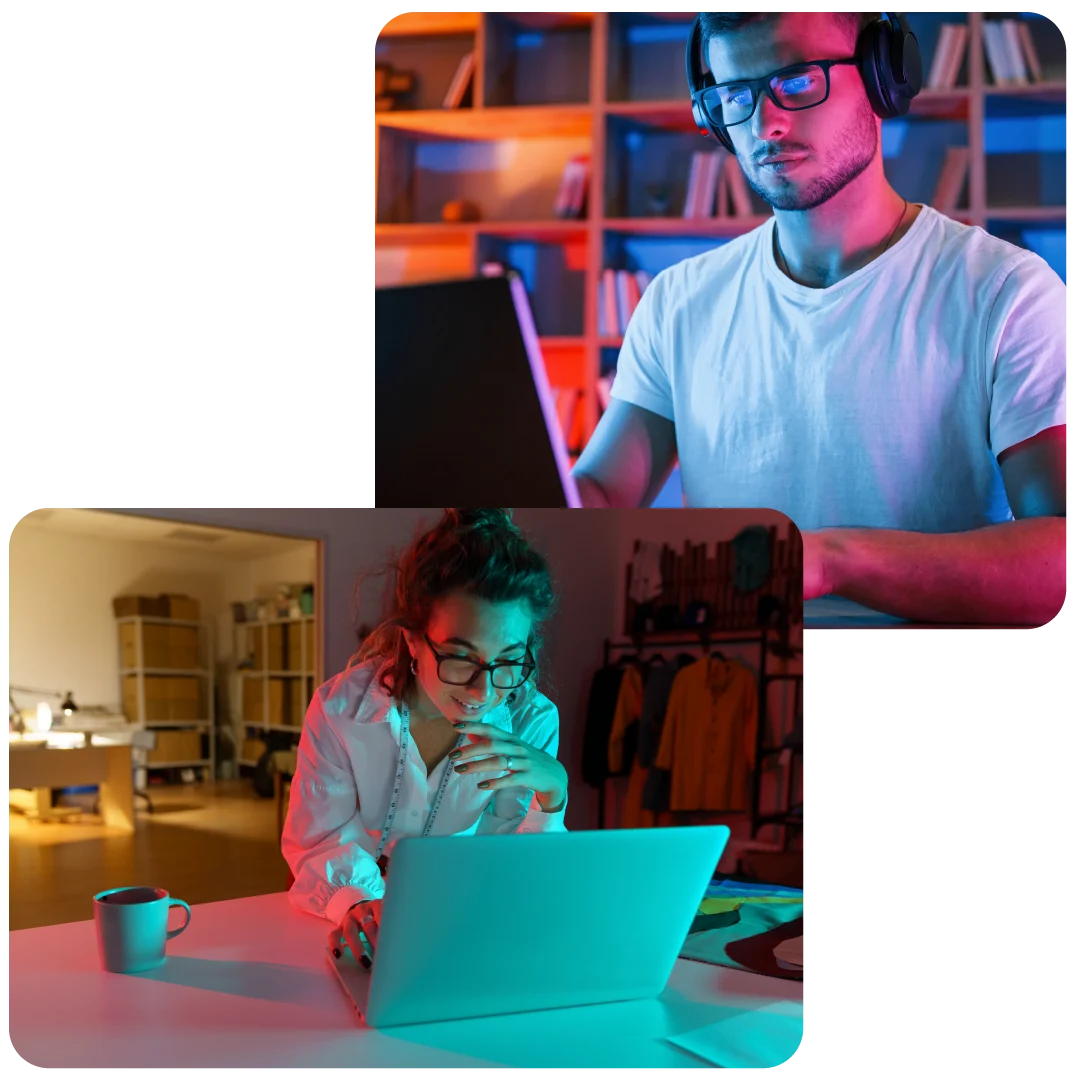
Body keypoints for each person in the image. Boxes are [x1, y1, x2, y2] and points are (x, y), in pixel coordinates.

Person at [571, 9, 1070, 625]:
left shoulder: (1006, 293)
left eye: (798, 80)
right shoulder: (677, 302)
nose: (765, 124)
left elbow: (1062, 560)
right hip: (725, 696)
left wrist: (829, 562)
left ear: (884, 75)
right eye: (735, 95)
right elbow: (594, 496)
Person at [281, 508, 569, 968]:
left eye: (510, 660)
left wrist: (551, 798)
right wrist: (359, 903)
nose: (485, 690)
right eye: (460, 658)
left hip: (466, 939)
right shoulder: (340, 711)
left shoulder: (531, 720)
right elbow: (320, 840)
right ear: (414, 640)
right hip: (360, 942)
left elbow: (516, 871)